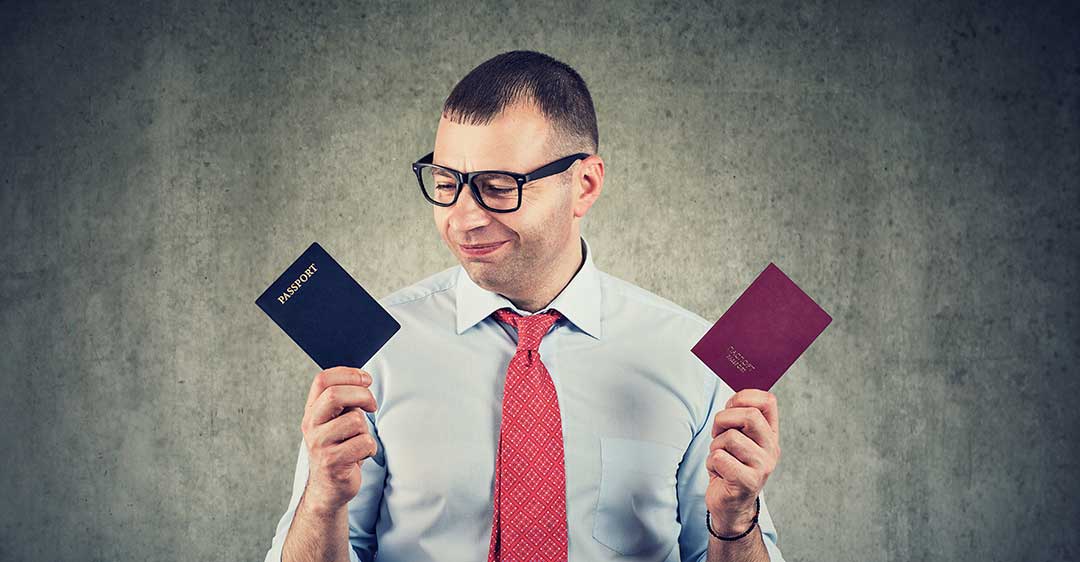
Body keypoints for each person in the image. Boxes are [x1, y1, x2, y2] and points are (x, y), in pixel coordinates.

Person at [263, 50, 786, 562]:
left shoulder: (693, 358)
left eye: (498, 187)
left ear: (584, 184)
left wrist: (736, 523)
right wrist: (323, 503)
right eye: (446, 184)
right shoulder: (375, 350)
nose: (462, 219)